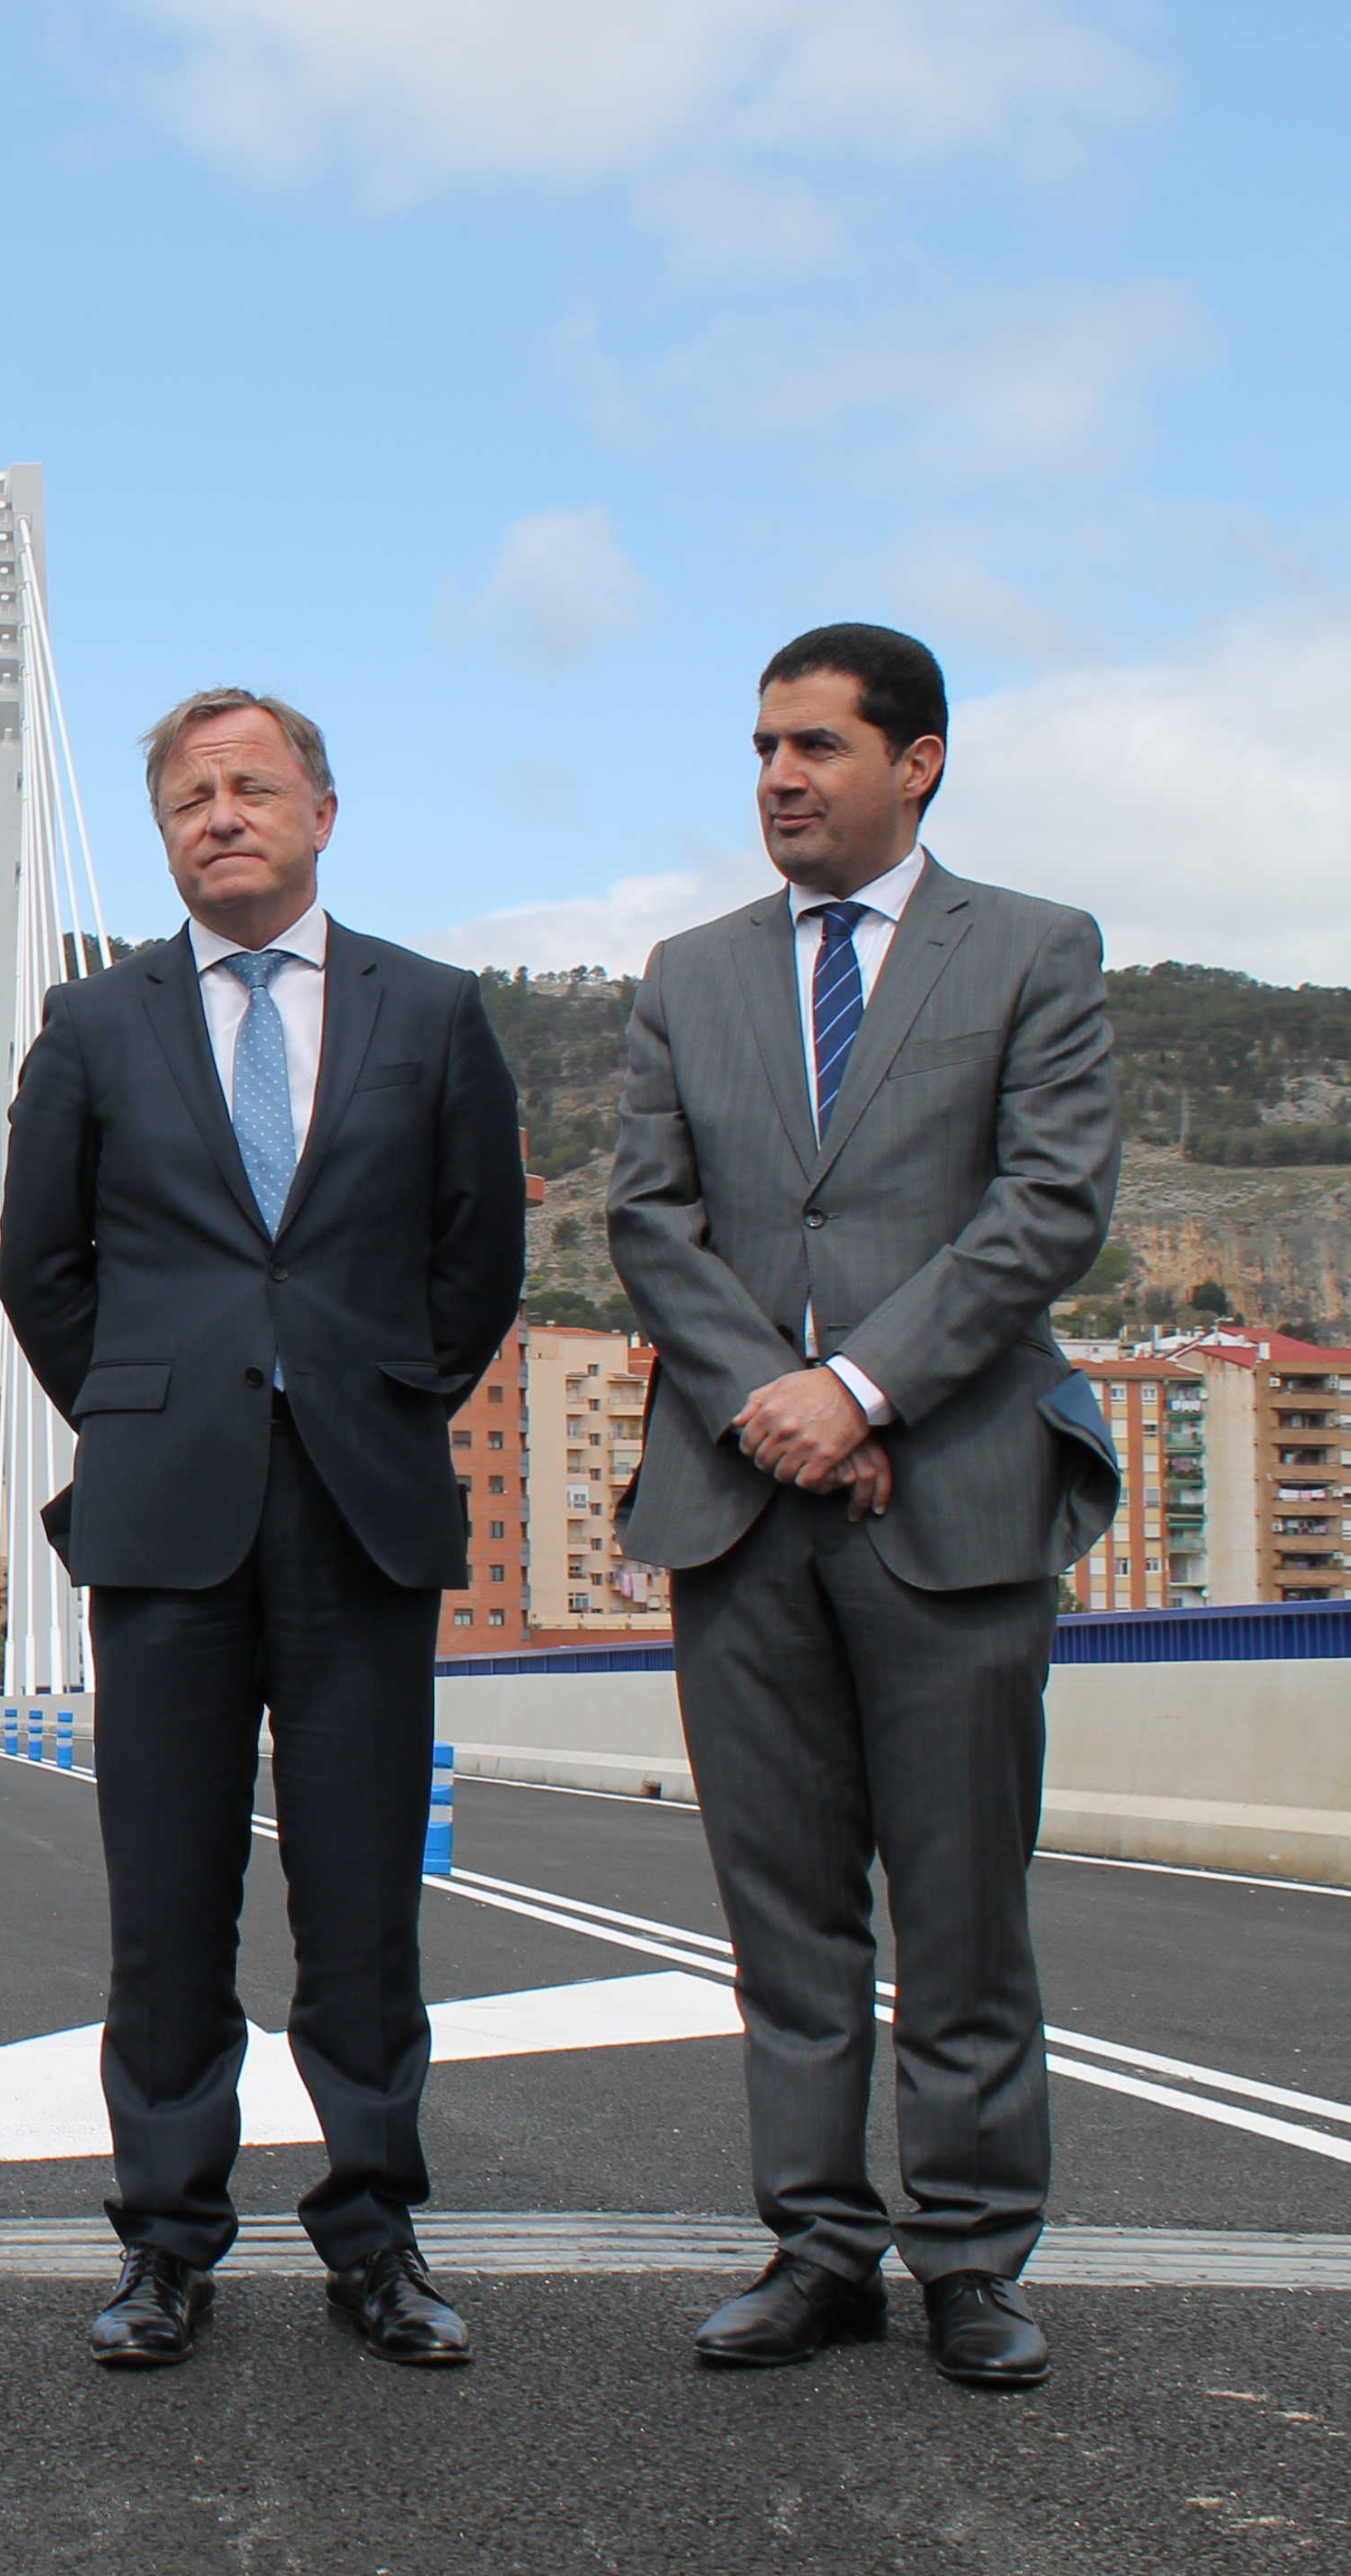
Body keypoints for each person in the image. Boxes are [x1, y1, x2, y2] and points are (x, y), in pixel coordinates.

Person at [608, 625, 1119, 2390]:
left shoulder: (1038, 952)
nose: (779, 778)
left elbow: (1047, 1207)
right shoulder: (688, 972)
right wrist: (784, 1406)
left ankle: (975, 2257)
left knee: (965, 1908)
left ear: (923, 760)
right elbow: (648, 1222)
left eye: (817, 744)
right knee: (788, 1915)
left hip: (955, 1497)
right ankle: (817, 2244)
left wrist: (868, 1388)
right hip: (741, 1507)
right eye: (761, 746)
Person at [0, 688, 523, 2372]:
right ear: (162, 832)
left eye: (253, 788)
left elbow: (478, 1264)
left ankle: (376, 2233)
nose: (221, 815)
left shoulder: (434, 1015)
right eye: (190, 798)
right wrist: (152, 1405)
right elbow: (43, 1272)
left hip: (364, 1507)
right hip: (166, 1518)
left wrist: (366, 1394)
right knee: (166, 1904)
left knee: (365, 1904)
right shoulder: (93, 1025)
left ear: (322, 811)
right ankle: (165, 2242)